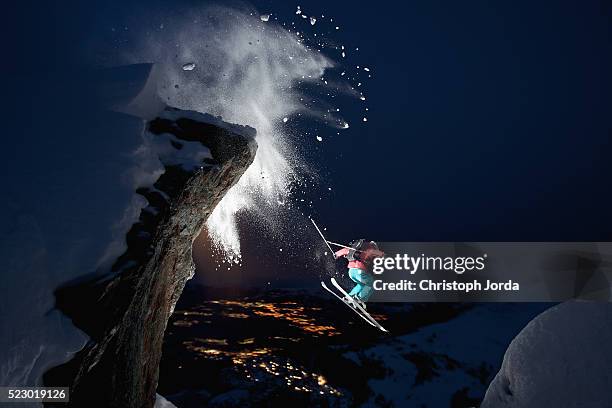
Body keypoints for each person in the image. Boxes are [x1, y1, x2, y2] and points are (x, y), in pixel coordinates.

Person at [334, 240, 384, 309]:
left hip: (351, 272)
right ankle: (359, 299)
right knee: (372, 284)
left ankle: (349, 297)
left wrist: (337, 254)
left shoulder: (356, 249)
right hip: (359, 272)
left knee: (361, 284)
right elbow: (378, 253)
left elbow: (346, 250)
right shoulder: (371, 249)